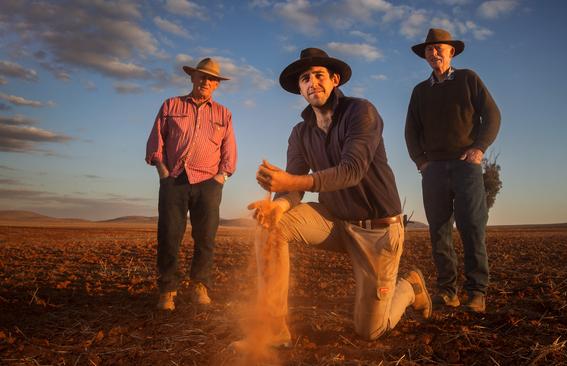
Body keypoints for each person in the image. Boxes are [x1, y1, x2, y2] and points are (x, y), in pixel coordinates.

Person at [239, 48, 432, 347]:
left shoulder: (361, 113)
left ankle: (409, 287)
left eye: (319, 75)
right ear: (299, 88)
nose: (312, 82)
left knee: (370, 331)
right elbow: (294, 188)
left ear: (335, 79)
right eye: (305, 78)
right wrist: (277, 205)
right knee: (271, 226)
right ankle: (275, 329)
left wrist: (290, 180)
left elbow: (351, 170)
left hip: (377, 231)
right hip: (335, 223)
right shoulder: (301, 133)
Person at [405, 28, 501, 313]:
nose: (434, 53)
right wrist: (421, 161)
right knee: (439, 231)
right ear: (424, 55)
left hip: (466, 166)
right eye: (429, 49)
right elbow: (411, 131)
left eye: (439, 48)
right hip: (433, 169)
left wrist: (480, 148)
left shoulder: (469, 79)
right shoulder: (419, 92)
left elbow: (492, 115)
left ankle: (476, 292)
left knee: (472, 226)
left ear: (452, 52)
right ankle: (447, 292)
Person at [145, 58, 237, 311]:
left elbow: (229, 151)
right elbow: (156, 141)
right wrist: (163, 172)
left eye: (212, 79)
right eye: (202, 76)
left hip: (208, 183)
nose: (206, 81)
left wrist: (221, 178)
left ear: (217, 85)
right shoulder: (171, 105)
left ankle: (200, 286)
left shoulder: (223, 114)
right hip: (174, 179)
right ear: (192, 78)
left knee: (206, 238)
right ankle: (167, 290)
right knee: (169, 236)